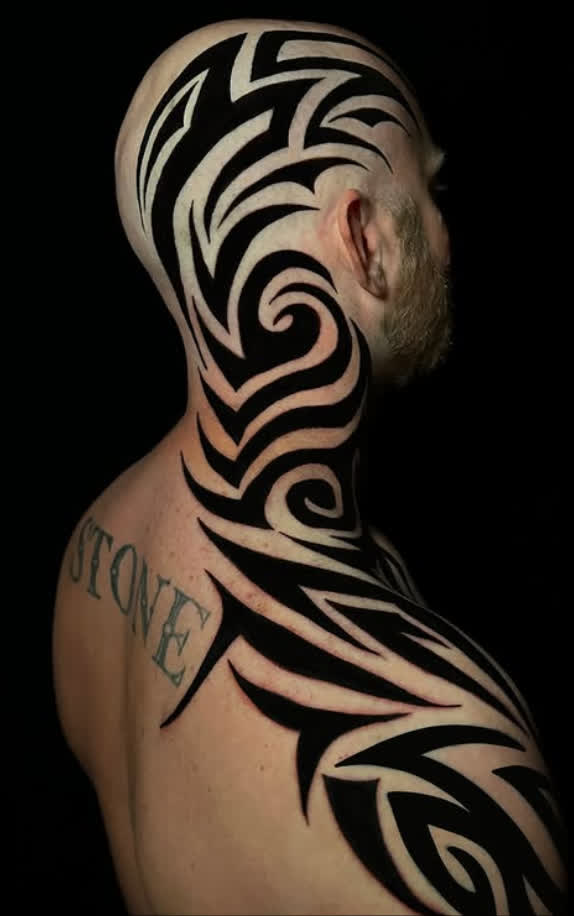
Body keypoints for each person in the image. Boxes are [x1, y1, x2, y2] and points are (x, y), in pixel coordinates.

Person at [52, 17, 567, 915]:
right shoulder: (446, 767)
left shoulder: (96, 549)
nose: (446, 236)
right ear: (363, 239)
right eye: (428, 192)